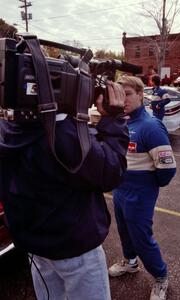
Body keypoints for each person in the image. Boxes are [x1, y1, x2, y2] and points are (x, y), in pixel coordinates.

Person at [0, 81, 129, 300]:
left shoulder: (7, 128)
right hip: (76, 249)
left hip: (35, 245)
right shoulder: (66, 136)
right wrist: (113, 120)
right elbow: (111, 171)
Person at [108, 75, 176, 300]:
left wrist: (146, 187)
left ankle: (160, 277)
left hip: (140, 192)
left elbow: (167, 170)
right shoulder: (123, 121)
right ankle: (130, 262)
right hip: (120, 189)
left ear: (140, 94)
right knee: (124, 232)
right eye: (120, 94)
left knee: (141, 238)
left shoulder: (150, 126)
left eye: (127, 94)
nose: (123, 99)